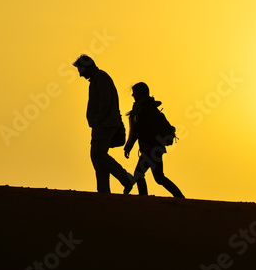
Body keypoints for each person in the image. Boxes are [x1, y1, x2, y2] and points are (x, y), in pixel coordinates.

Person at [73, 54, 133, 194]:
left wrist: (98, 120)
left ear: (87, 67)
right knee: (98, 157)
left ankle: (126, 179)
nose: (80, 75)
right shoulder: (97, 79)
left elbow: (105, 102)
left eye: (81, 70)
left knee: (98, 154)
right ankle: (103, 191)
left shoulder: (101, 77)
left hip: (106, 124)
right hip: (102, 124)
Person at [124, 82, 184, 198]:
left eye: (134, 93)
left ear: (140, 94)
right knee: (158, 177)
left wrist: (129, 146)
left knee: (139, 175)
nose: (133, 96)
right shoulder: (147, 108)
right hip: (155, 148)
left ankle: (144, 199)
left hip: (150, 148)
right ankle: (179, 196)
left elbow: (137, 131)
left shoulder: (143, 110)